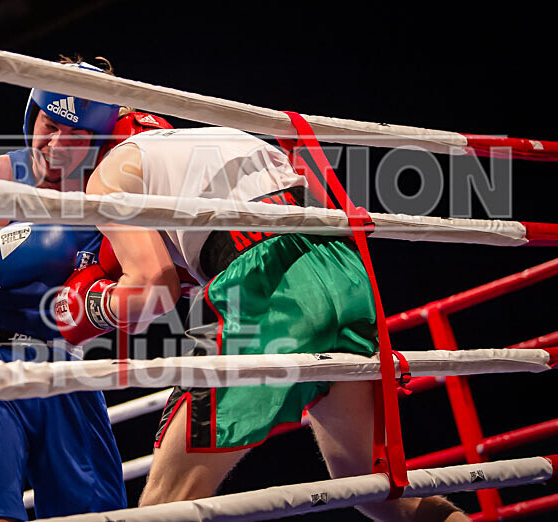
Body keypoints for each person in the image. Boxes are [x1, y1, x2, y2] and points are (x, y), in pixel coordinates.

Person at [54, 126, 470, 521]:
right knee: (376, 494)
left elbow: (152, 286)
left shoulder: (108, 175)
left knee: (167, 502)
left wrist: (87, 307)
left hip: (267, 283)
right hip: (343, 270)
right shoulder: (206, 141)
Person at [0, 58, 170, 522]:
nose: (58, 144)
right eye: (51, 124)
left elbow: (153, 291)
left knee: (95, 517)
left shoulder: (109, 202)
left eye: (77, 134)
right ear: (32, 114)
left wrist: (95, 304)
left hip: (66, 373)